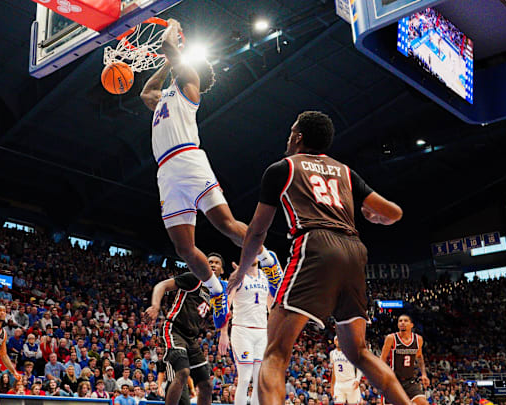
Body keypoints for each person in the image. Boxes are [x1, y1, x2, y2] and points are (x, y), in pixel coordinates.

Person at [229, 111, 411, 405]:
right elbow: (394, 212)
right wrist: (373, 217)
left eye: (291, 132)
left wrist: (239, 272)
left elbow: (256, 232)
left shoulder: (282, 168)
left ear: (299, 137)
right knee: (359, 352)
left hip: (315, 244)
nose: (288, 138)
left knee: (274, 354)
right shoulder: (345, 172)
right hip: (354, 250)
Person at [139, 18, 280, 327]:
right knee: (183, 247)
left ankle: (269, 261)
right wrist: (165, 62)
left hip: (189, 159)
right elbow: (145, 92)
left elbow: (166, 45)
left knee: (226, 225)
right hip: (166, 171)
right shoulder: (165, 96)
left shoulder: (190, 84)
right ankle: (216, 292)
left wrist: (174, 29)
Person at [144, 270, 213, 405]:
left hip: (191, 338)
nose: (212, 265)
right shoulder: (195, 278)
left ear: (222, 270)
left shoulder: (216, 293)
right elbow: (162, 285)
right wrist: (155, 305)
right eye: (209, 262)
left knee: (206, 384)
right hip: (174, 329)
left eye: (217, 263)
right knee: (182, 371)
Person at [218, 259, 273, 405]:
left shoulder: (265, 276)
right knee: (244, 377)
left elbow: (270, 306)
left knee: (259, 379)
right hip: (242, 330)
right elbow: (226, 305)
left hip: (262, 332)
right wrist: (224, 333)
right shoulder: (238, 276)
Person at [380, 315, 429, 405]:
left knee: (424, 403)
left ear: (411, 325)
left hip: (409, 381)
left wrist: (424, 374)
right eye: (400, 321)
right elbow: (382, 359)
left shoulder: (418, 339)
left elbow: (419, 357)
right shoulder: (391, 338)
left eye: (405, 321)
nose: (402, 322)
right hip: (393, 380)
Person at [331, 336, 363, 405]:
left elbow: (360, 366)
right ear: (334, 342)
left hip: (350, 382)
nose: (339, 341)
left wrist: (357, 379)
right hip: (338, 384)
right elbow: (334, 371)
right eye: (337, 340)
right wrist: (332, 385)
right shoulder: (332, 353)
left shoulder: (350, 352)